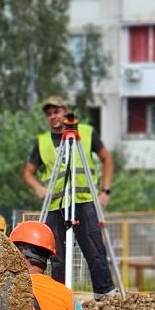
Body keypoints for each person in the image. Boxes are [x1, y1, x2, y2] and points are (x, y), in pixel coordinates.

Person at [22, 94, 118, 298]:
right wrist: (39, 189)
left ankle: (105, 294)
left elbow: (106, 158)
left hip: (83, 200)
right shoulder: (42, 142)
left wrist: (105, 190)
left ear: (65, 112)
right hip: (56, 204)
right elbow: (28, 173)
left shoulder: (85, 133)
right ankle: (59, 297)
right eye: (49, 114)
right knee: (56, 254)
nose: (52, 116)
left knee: (94, 248)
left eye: (56, 111)